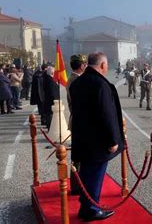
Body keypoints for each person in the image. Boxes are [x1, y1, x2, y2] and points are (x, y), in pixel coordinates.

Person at [70, 52, 124, 221]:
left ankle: (86, 205)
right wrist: (113, 140)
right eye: (106, 65)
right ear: (102, 65)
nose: (107, 68)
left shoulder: (77, 83)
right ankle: (91, 209)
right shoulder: (100, 84)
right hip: (98, 141)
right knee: (95, 175)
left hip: (82, 137)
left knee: (86, 172)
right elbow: (106, 114)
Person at [66, 54, 87, 195]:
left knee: (78, 155)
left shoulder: (72, 79)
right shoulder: (77, 81)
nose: (86, 66)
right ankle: (78, 186)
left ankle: (77, 185)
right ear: (81, 66)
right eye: (84, 64)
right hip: (80, 121)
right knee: (79, 156)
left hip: (77, 120)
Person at [42, 66, 59, 130]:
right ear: (52, 72)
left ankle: (50, 127)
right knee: (50, 115)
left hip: (48, 100)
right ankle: (50, 128)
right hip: (51, 101)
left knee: (49, 114)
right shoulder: (50, 80)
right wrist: (55, 100)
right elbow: (52, 92)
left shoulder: (48, 78)